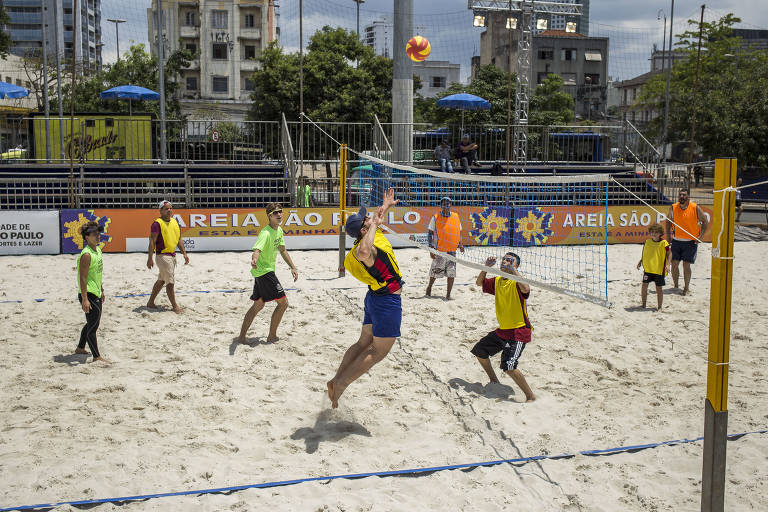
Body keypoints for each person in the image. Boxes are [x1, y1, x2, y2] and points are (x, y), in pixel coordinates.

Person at [327, 188, 403, 408]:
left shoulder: (361, 243)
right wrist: (375, 223)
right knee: (378, 351)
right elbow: (365, 252)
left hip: (374, 298)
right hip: (387, 301)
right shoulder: (364, 250)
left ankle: (335, 379)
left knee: (363, 342)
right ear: (363, 229)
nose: (369, 217)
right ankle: (341, 384)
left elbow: (370, 233)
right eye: (366, 219)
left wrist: (384, 209)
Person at [470, 253, 535, 402]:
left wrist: (513, 270)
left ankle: (530, 396)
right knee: (480, 351)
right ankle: (494, 380)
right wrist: (486, 267)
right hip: (503, 330)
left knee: (509, 366)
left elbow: (526, 289)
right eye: (504, 259)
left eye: (509, 261)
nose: (504, 262)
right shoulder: (498, 280)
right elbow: (479, 283)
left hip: (519, 332)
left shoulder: (517, 282)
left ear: (516, 266)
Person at [237, 203, 298, 343]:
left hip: (262, 272)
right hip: (265, 272)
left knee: (258, 305)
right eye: (276, 213)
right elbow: (257, 250)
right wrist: (254, 259)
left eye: (281, 212)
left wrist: (293, 267)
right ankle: (271, 336)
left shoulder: (279, 230)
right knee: (283, 304)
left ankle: (241, 337)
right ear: (269, 216)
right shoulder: (265, 233)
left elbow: (282, 250)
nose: (279, 215)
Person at [75, 221, 111, 364]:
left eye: (98, 233)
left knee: (91, 322)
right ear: (86, 237)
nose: (98, 236)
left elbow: (97, 273)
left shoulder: (98, 250)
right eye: (94, 234)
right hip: (88, 293)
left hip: (95, 292)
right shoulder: (86, 255)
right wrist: (84, 299)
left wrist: (101, 289)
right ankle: (97, 356)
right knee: (93, 326)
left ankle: (80, 347)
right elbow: (82, 278)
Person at [147, 200, 190, 313]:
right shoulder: (157, 223)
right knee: (170, 283)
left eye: (170, 208)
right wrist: (150, 258)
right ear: (160, 211)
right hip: (162, 256)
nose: (169, 210)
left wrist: (184, 253)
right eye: (166, 208)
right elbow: (152, 241)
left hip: (172, 255)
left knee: (161, 281)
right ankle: (175, 306)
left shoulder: (175, 222)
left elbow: (179, 239)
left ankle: (150, 302)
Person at [665, 188, 708, 296]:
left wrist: (700, 236)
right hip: (676, 240)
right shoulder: (673, 207)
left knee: (686, 265)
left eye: (684, 195)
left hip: (690, 242)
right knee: (674, 264)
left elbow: (705, 222)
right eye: (680, 195)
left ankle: (686, 288)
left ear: (688, 197)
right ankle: (675, 286)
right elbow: (668, 222)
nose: (681, 197)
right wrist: (668, 235)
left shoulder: (695, 207)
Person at [426, 196, 465, 299]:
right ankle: (429, 287)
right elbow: (430, 233)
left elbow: (459, 231)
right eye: (444, 203)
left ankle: (448, 294)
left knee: (451, 274)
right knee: (435, 273)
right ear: (441, 205)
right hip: (440, 251)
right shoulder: (435, 217)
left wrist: (460, 244)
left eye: (448, 203)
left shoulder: (456, 216)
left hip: (452, 251)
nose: (446, 205)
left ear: (450, 205)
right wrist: (431, 249)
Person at [636, 223, 671, 311]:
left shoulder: (664, 243)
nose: (653, 234)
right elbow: (646, 254)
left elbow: (669, 254)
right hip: (648, 269)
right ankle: (643, 305)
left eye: (656, 232)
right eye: (652, 232)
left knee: (658, 288)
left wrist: (668, 264)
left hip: (659, 270)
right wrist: (640, 261)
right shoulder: (647, 241)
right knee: (644, 285)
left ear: (660, 233)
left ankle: (659, 307)